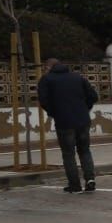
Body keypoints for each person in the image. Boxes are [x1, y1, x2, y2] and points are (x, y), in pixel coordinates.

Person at [37, 57, 100, 194]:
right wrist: (85, 108)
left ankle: (74, 185)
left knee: (68, 154)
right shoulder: (78, 77)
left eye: (45, 69)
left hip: (64, 122)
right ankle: (90, 180)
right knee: (84, 150)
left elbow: (43, 101)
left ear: (48, 67)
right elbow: (93, 96)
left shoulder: (46, 80)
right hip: (83, 120)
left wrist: (54, 112)